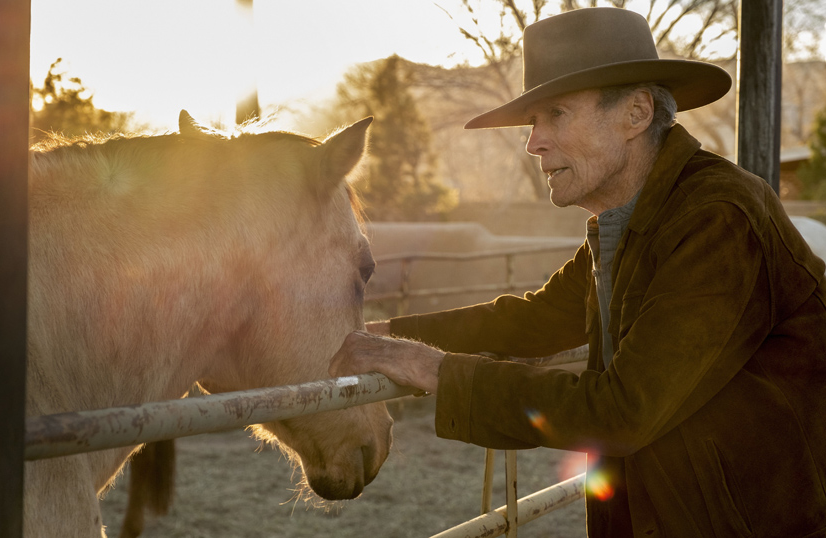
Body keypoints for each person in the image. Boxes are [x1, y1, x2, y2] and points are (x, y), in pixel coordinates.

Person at [330, 7, 826, 538]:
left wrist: (433, 370)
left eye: (556, 114)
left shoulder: (717, 219)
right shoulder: (638, 219)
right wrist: (382, 338)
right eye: (533, 122)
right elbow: (539, 318)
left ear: (636, 113)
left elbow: (622, 411)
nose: (533, 142)